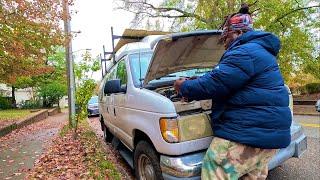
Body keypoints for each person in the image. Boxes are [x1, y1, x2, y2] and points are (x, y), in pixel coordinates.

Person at [174, 4, 292, 180]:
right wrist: (198, 80)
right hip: (269, 136)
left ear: (238, 33)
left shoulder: (244, 52)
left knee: (215, 167)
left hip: (247, 135)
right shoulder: (259, 51)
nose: (224, 40)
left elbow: (216, 82)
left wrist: (184, 87)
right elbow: (224, 77)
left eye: (227, 35)